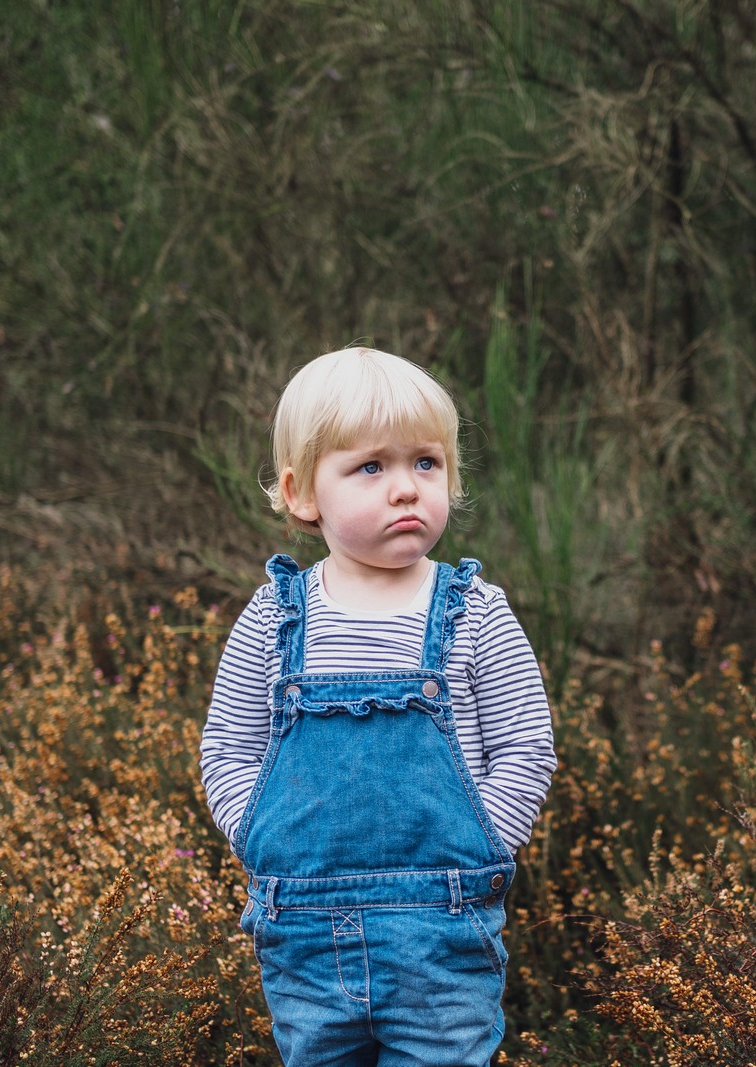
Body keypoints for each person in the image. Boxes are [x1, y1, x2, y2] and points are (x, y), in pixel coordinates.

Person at [200, 346, 557, 1065]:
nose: (406, 488)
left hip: (443, 927)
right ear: (303, 494)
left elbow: (526, 745)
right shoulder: (275, 616)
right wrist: (257, 835)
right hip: (302, 930)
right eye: (371, 467)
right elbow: (228, 748)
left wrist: (486, 835)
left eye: (426, 462)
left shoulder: (475, 613)